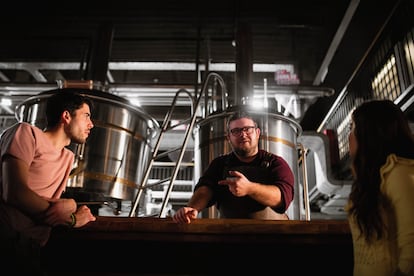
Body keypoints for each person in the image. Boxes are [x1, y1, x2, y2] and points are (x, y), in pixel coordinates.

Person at [0, 90, 97, 275]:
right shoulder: (26, 133)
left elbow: (50, 205)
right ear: (66, 116)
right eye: (86, 116)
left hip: (33, 248)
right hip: (7, 242)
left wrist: (69, 205)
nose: (91, 124)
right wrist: (72, 218)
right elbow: (14, 193)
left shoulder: (67, 157)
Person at [173, 111, 295, 224]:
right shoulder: (219, 164)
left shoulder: (275, 163)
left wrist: (249, 188)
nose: (243, 134)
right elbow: (205, 189)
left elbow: (282, 198)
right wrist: (192, 208)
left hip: (274, 238)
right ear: (229, 138)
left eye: (248, 129)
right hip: (230, 236)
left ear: (257, 133)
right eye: (236, 131)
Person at [346, 99, 414, 276]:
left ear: (369, 132)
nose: (349, 136)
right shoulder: (369, 181)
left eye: (352, 127)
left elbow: (412, 247)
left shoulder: (398, 173)